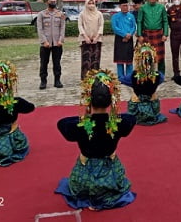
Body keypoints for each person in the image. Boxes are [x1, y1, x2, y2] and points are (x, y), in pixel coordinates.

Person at [55, 69, 136, 210]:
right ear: (112, 100)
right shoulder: (118, 123)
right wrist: (115, 114)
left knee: (78, 185)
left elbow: (61, 123)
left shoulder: (80, 126)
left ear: (88, 99)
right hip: (111, 175)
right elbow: (132, 118)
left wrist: (84, 116)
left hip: (85, 178)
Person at [122, 43, 167, 125]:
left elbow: (123, 80)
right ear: (153, 60)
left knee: (133, 97)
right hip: (152, 106)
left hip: (136, 106)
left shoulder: (132, 76)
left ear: (138, 60)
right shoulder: (158, 76)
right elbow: (162, 79)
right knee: (154, 96)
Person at [37, 0, 66, 89]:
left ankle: (57, 80)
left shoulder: (60, 14)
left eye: (54, 1)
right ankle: (43, 81)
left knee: (57, 63)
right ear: (47, 2)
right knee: (44, 63)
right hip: (46, 44)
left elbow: (62, 28)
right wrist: (44, 41)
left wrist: (61, 40)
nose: (53, 3)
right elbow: (40, 29)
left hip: (57, 43)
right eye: (51, 1)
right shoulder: (41, 14)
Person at [137, 0, 169, 74]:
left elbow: (165, 21)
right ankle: (148, 73)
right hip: (147, 34)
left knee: (160, 56)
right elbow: (139, 22)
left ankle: (161, 74)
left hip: (159, 34)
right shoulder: (142, 8)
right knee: (147, 55)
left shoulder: (161, 7)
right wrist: (139, 35)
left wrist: (165, 34)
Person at [78, 0, 104, 79]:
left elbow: (101, 25)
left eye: (93, 3)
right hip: (85, 39)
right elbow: (80, 25)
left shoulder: (99, 14)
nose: (91, 5)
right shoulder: (82, 14)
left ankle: (95, 77)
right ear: (86, 4)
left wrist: (96, 37)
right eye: (89, 3)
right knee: (86, 59)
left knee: (95, 58)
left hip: (97, 39)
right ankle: (85, 78)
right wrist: (85, 36)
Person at [110, 0, 136, 82]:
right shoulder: (115, 16)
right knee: (119, 59)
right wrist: (124, 34)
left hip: (129, 39)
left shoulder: (131, 16)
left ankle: (129, 76)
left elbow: (133, 27)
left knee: (129, 59)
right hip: (119, 39)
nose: (126, 7)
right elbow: (115, 28)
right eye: (124, 6)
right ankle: (120, 77)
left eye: (127, 5)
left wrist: (129, 34)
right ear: (120, 6)